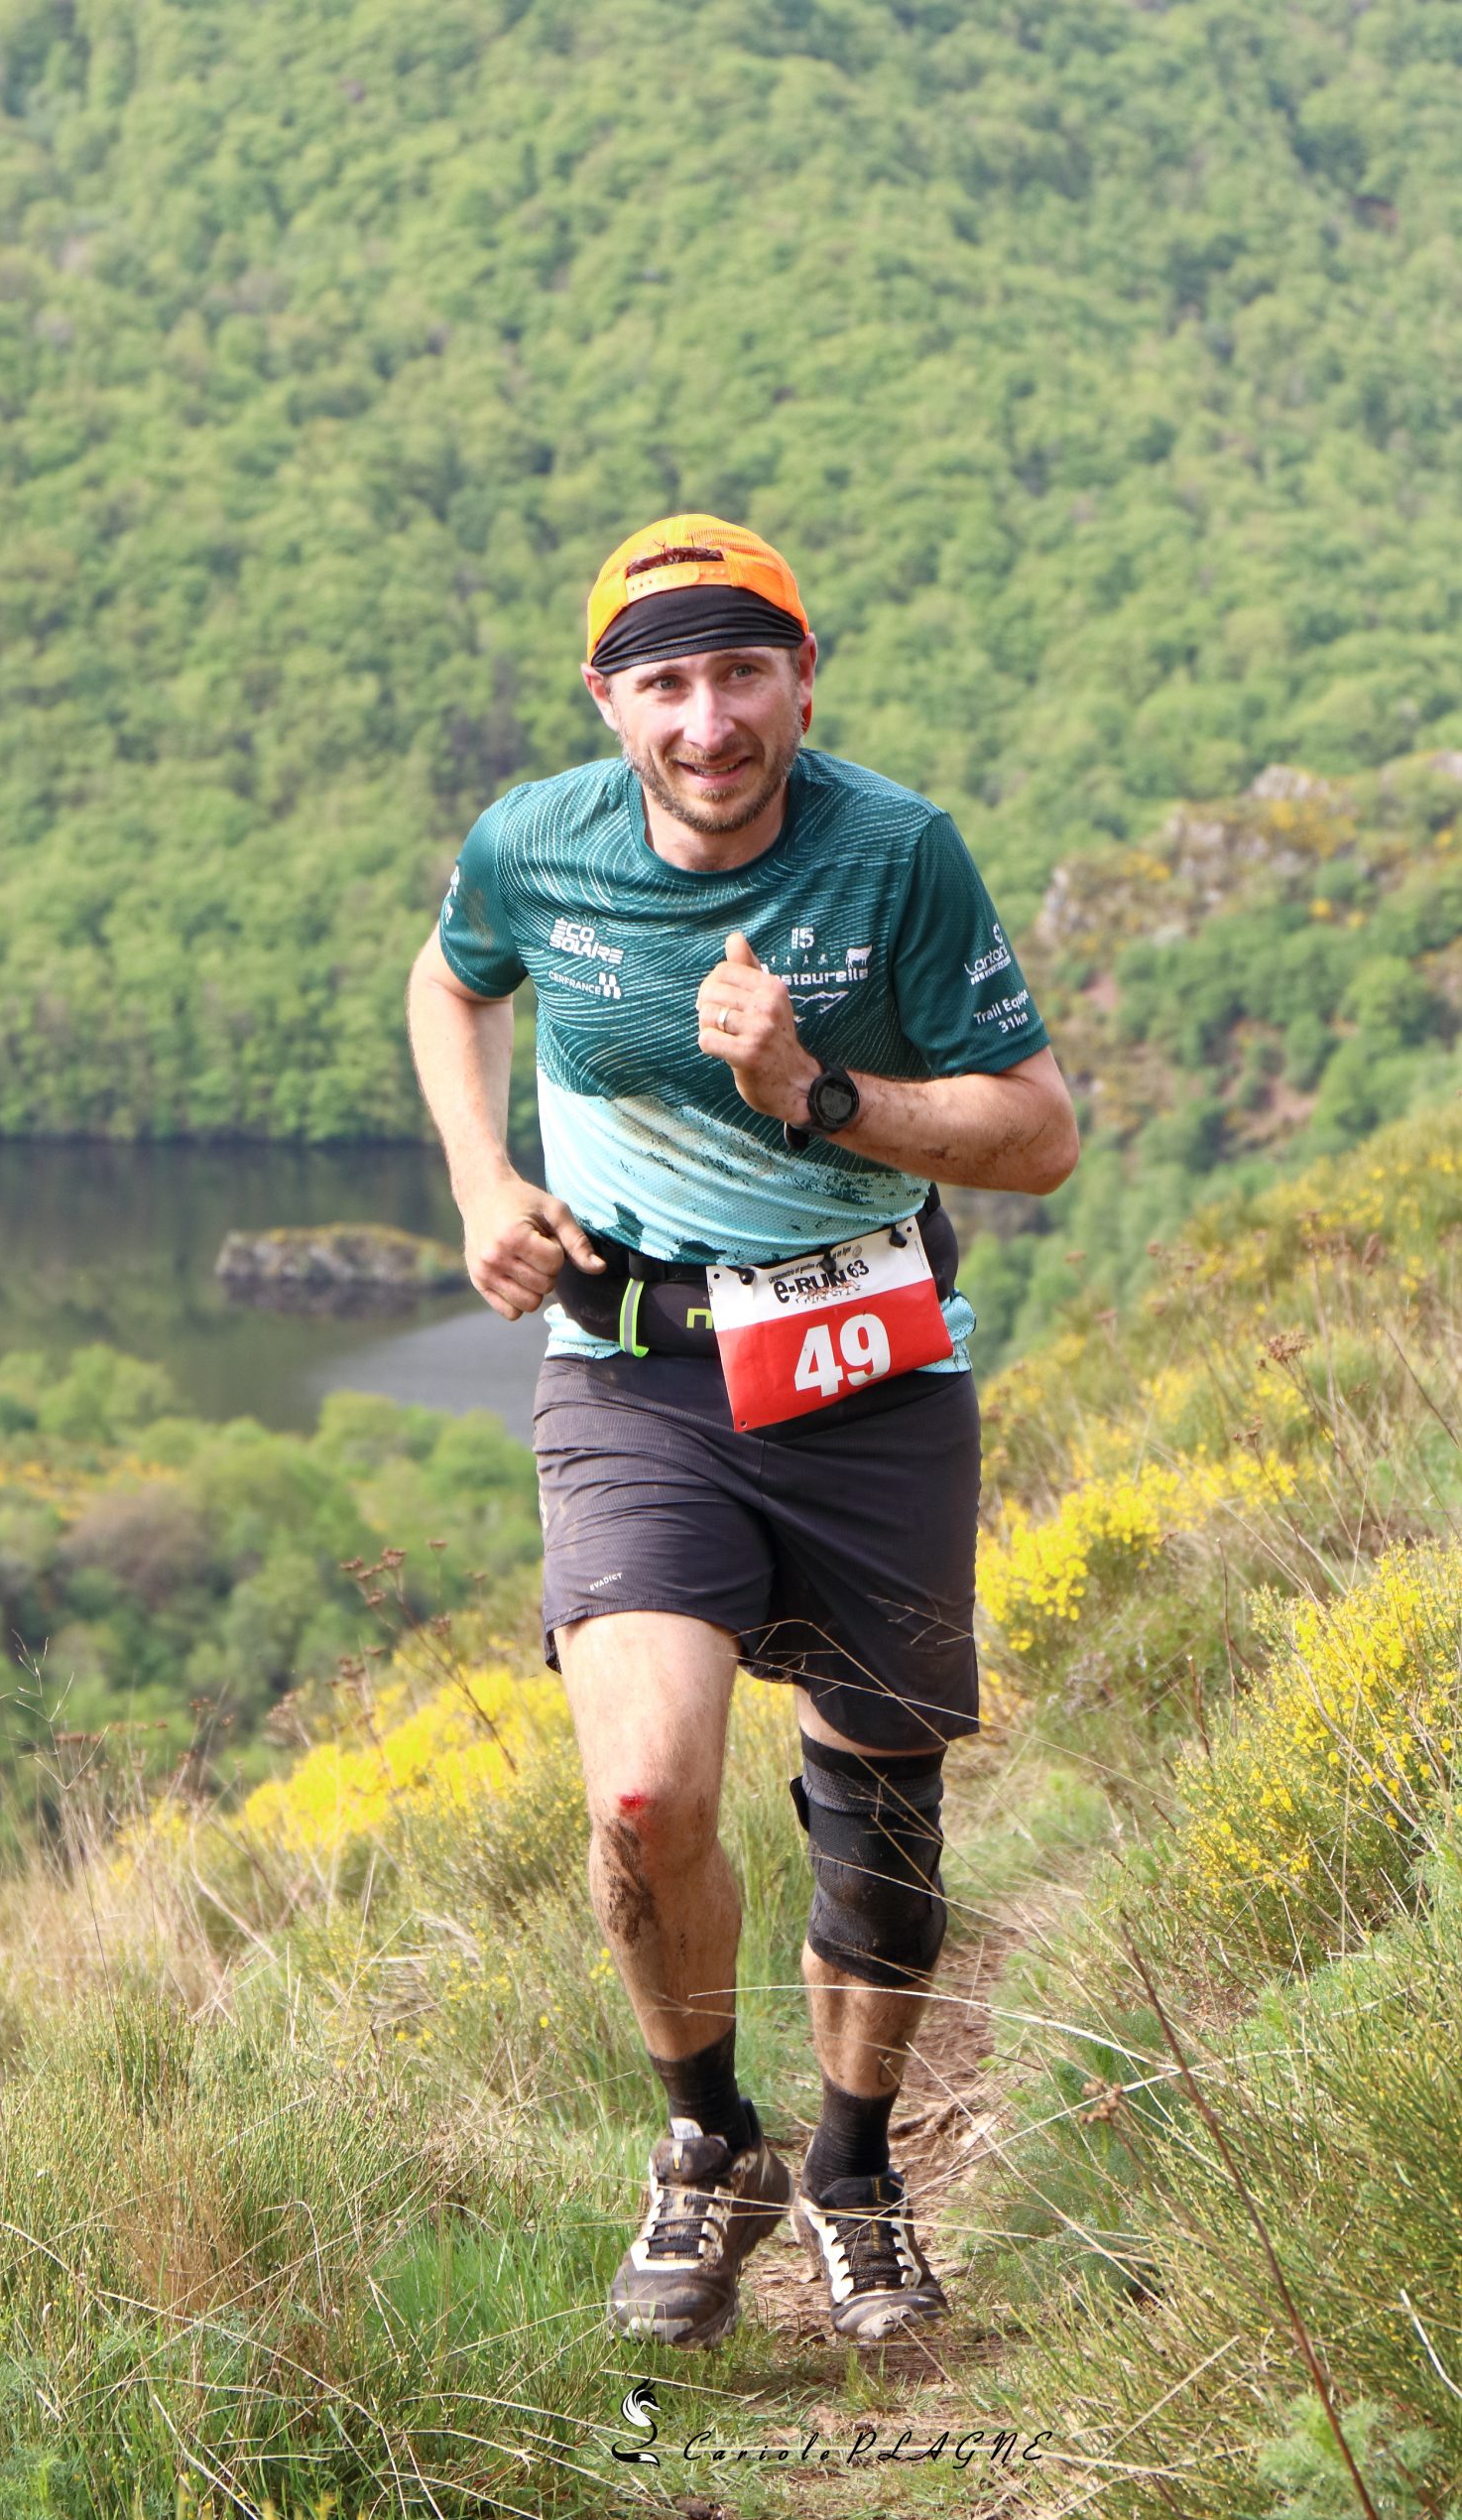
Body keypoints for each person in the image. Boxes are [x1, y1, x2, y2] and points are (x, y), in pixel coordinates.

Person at [407, 514, 1077, 2349]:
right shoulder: (535, 845)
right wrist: (482, 1179)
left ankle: (858, 2173)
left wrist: (818, 1092)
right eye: (668, 685)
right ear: (608, 703)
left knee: (881, 1824)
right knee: (642, 1796)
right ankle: (710, 2143)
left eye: (742, 675)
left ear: (804, 680)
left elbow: (1038, 1135)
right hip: (633, 1366)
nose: (709, 722)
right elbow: (453, 978)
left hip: (870, 1364)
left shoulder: (897, 855)